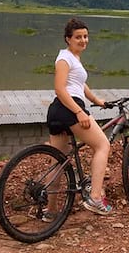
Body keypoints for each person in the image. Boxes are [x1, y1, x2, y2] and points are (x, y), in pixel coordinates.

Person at [46, 18, 112, 216]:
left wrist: (97, 100)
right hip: (68, 108)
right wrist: (79, 111)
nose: (83, 40)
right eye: (78, 37)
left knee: (58, 161)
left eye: (85, 36)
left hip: (58, 111)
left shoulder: (73, 58)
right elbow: (60, 89)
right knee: (102, 146)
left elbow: (79, 84)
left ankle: (51, 210)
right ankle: (96, 198)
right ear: (68, 39)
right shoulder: (64, 59)